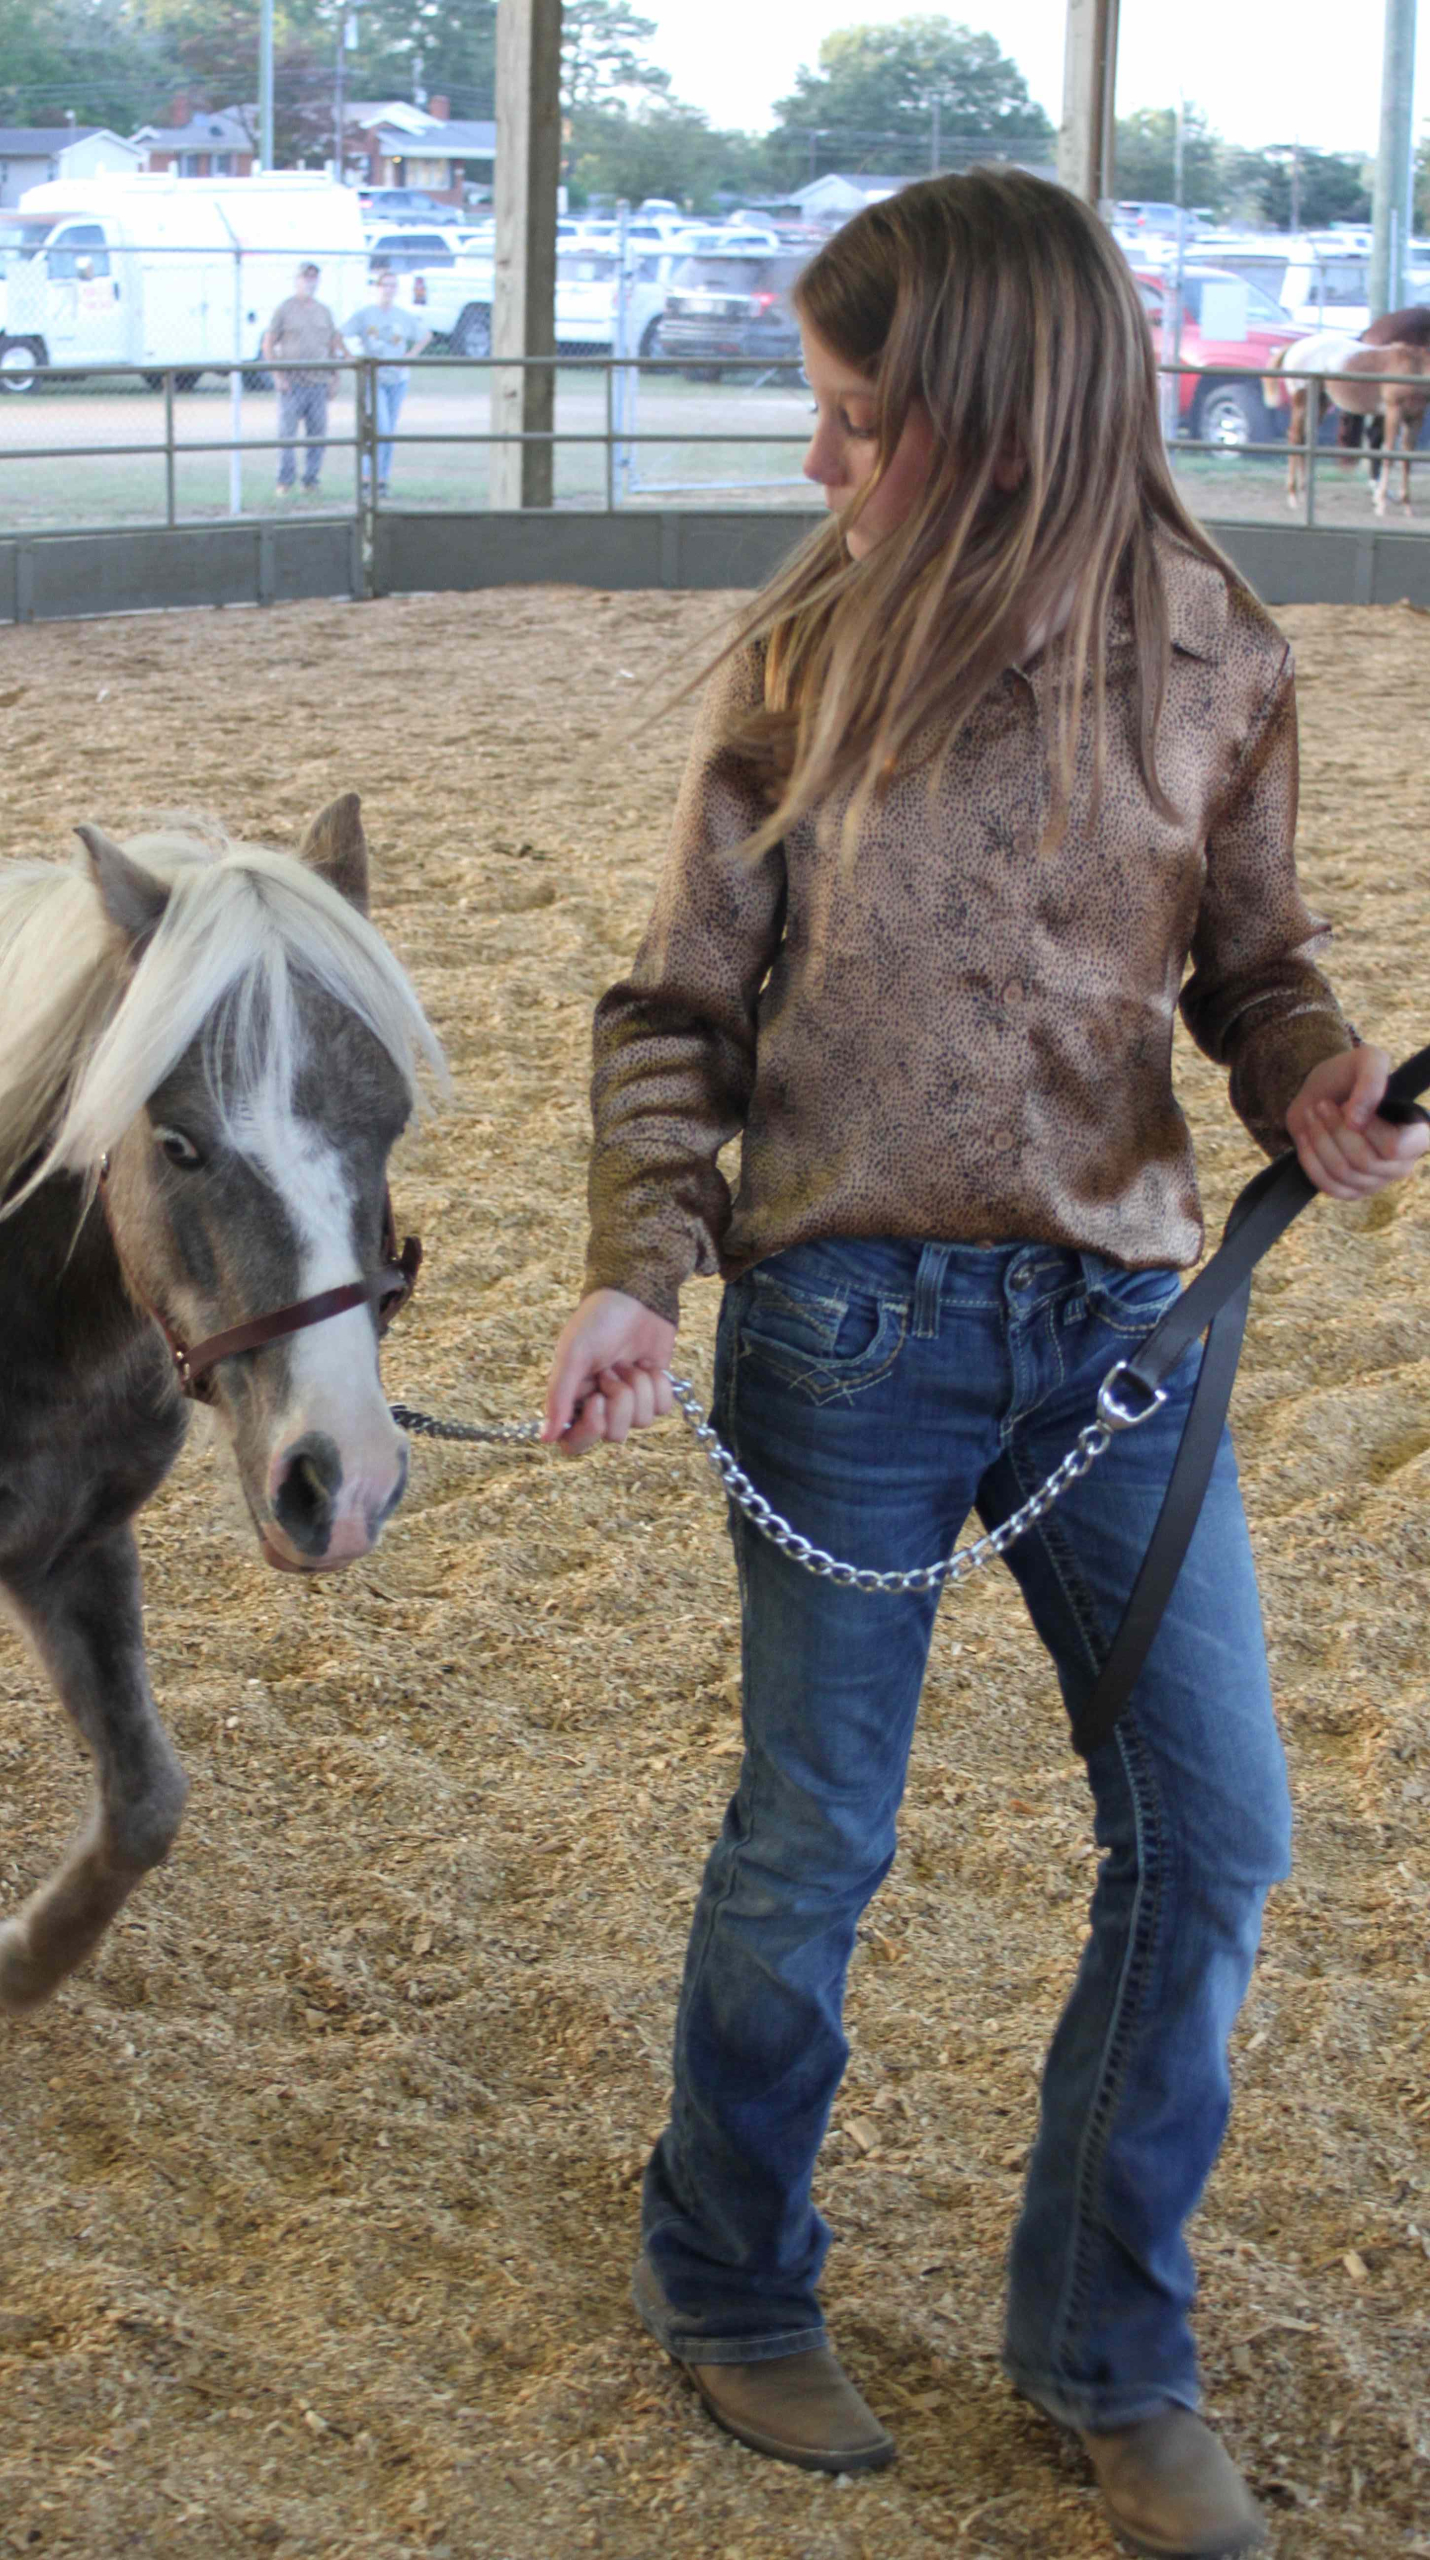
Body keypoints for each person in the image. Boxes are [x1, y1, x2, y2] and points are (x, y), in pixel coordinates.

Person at [541, 169, 1427, 2560]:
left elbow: (1249, 968)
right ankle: (727, 2270)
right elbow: (667, 1014)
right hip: (839, 1331)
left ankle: (1105, 2340)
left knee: (1211, 1831)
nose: (813, 466)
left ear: (997, 418)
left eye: (850, 420)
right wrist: (642, 1262)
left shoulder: (1220, 651)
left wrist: (1310, 1077)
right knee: (813, 1835)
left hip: (1116, 1338)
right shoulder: (803, 660)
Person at [341, 269, 432, 501]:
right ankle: (365, 479)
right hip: (375, 380)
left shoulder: (402, 315)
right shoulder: (365, 315)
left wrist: (410, 355)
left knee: (389, 431)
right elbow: (340, 335)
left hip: (397, 379)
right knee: (379, 426)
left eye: (393, 286)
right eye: (385, 285)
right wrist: (351, 358)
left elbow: (425, 335)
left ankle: (381, 480)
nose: (388, 290)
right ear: (377, 287)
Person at [261, 261, 346, 498]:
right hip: (292, 383)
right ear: (296, 279)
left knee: (317, 435)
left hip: (318, 383)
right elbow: (268, 343)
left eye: (314, 277)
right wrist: (277, 375)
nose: (310, 281)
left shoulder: (324, 311)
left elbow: (332, 346)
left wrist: (334, 378)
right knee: (287, 435)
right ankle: (284, 481)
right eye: (305, 277)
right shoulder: (284, 309)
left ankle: (311, 480)